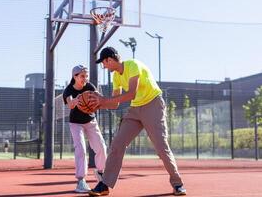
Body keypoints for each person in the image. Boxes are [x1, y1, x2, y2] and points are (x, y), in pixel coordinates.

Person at [88, 47, 187, 196]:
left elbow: (132, 93)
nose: (104, 66)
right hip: (135, 109)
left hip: (153, 104)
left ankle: (177, 184)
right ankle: (105, 185)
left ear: (109, 59)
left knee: (161, 147)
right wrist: (99, 104)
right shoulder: (116, 77)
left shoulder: (132, 65)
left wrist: (104, 100)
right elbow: (115, 104)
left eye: (104, 63)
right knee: (117, 144)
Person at [63, 64, 107, 193]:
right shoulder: (68, 90)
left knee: (101, 147)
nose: (85, 78)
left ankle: (100, 173)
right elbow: (70, 105)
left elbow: (98, 97)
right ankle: (81, 181)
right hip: (76, 123)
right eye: (82, 76)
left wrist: (98, 100)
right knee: (81, 149)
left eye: (86, 76)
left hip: (90, 121)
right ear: (75, 76)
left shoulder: (89, 86)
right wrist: (78, 100)